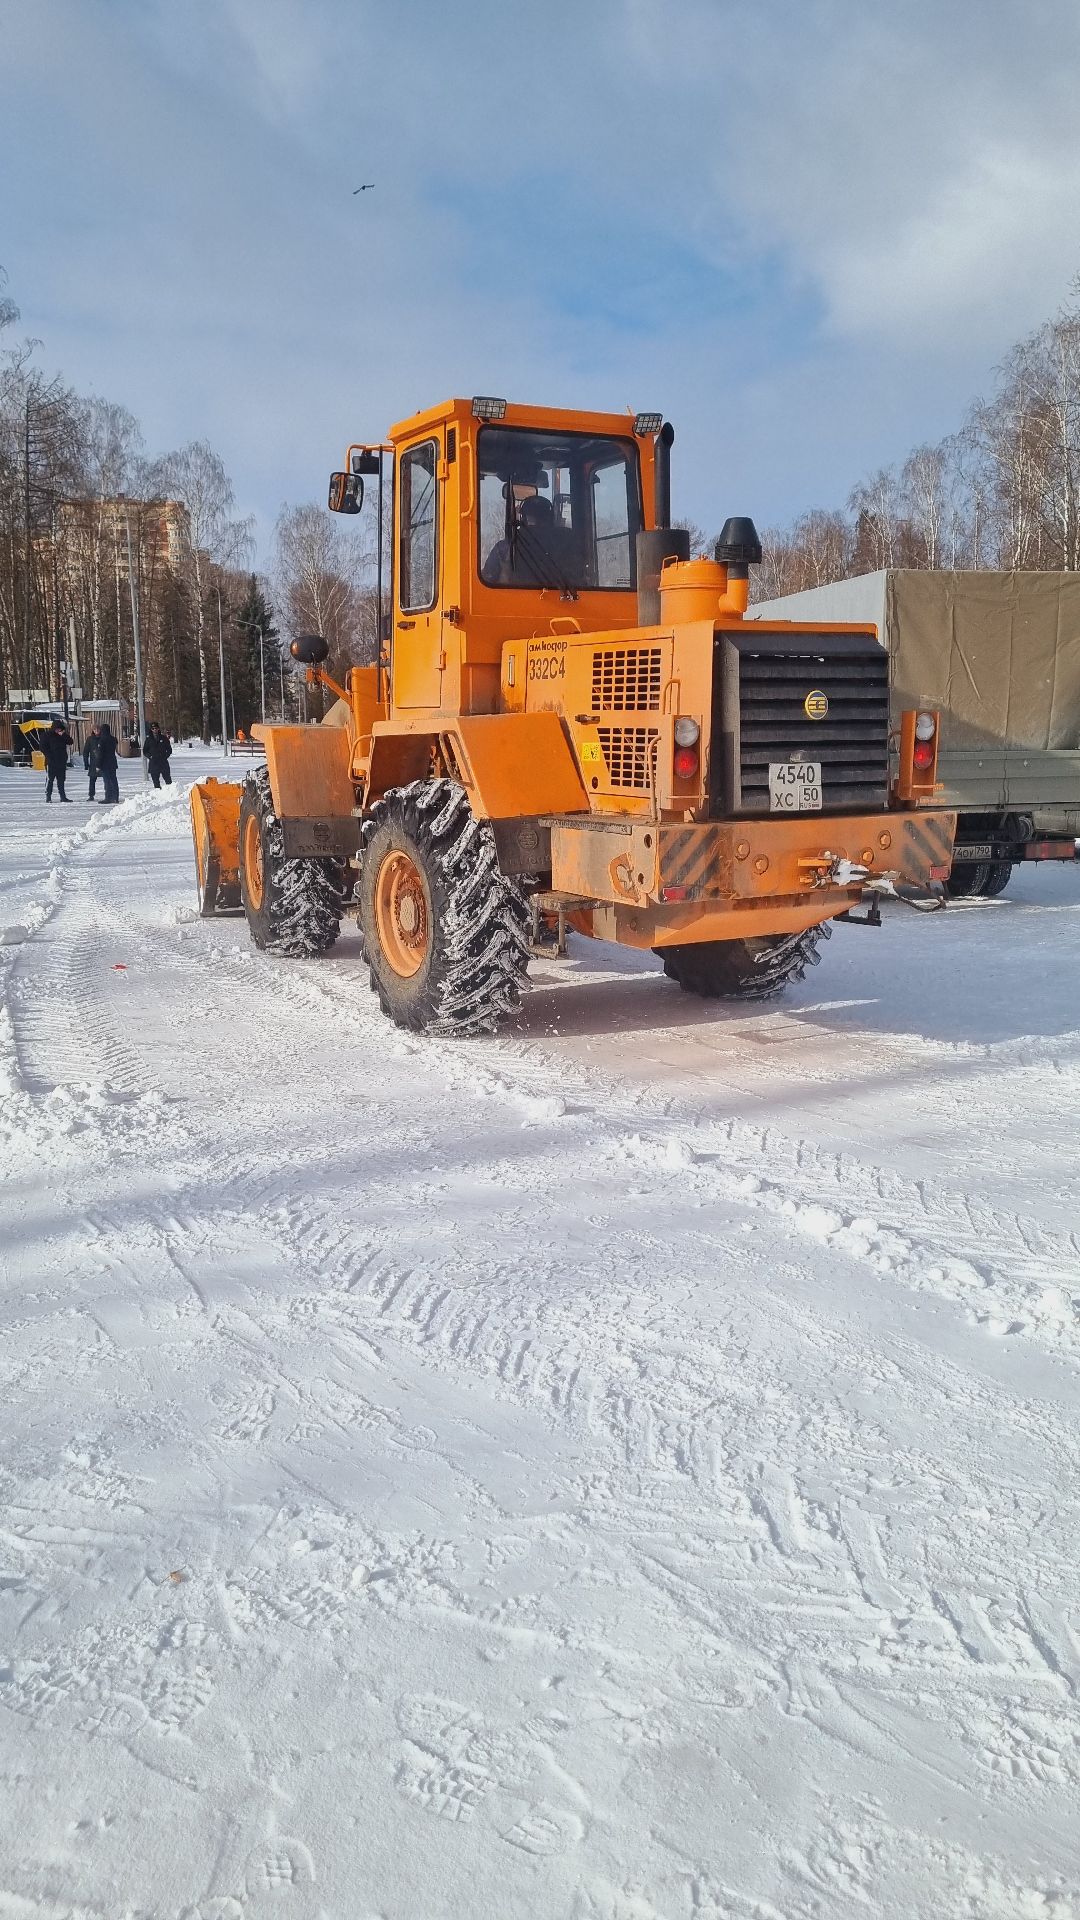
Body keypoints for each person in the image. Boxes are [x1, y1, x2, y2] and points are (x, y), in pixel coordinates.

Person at [43, 718, 74, 803]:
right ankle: (48, 796)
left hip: (61, 761)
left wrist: (63, 735)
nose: (58, 730)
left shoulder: (62, 736)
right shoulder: (47, 735)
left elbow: (70, 741)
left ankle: (63, 797)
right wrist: (49, 756)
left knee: (61, 780)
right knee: (50, 779)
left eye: (59, 728)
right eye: (57, 728)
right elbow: (43, 747)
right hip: (51, 761)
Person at [143, 721, 173, 788]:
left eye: (156, 728)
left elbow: (169, 750)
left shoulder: (164, 738)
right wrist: (150, 756)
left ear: (158, 729)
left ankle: (171, 793)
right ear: (151, 729)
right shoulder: (148, 739)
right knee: (155, 781)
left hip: (163, 762)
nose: (155, 730)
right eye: (153, 728)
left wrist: (165, 756)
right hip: (154, 762)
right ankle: (158, 794)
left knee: (168, 780)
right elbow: (145, 751)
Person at [96, 723, 120, 804]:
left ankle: (108, 798)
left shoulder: (102, 740)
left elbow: (100, 754)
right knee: (114, 779)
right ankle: (115, 797)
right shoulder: (113, 739)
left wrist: (98, 765)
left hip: (104, 763)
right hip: (112, 762)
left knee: (107, 781)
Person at [84, 724, 101, 801]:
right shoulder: (90, 739)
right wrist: (86, 763)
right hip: (93, 763)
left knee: (107, 779)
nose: (96, 731)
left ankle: (109, 794)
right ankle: (91, 795)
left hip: (102, 762)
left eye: (98, 729)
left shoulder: (103, 738)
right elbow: (86, 751)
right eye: (95, 730)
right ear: (93, 730)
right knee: (92, 780)